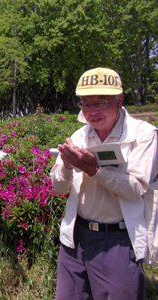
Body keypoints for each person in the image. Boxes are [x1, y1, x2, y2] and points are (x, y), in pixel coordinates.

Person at [50, 67, 158, 299]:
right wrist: (68, 165)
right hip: (75, 239)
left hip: (117, 241)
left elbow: (136, 187)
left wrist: (94, 170)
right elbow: (58, 187)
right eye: (86, 104)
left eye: (101, 103)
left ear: (119, 100)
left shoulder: (143, 134)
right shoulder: (79, 136)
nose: (92, 111)